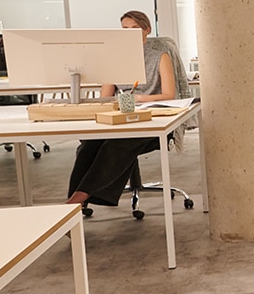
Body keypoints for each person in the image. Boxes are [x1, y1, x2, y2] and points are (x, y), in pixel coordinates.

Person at [65, 10, 192, 208]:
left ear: (146, 30)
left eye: (135, 28)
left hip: (153, 120)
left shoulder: (160, 56)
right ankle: (75, 202)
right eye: (125, 29)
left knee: (117, 144)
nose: (129, 33)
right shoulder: (114, 58)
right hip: (122, 117)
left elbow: (169, 95)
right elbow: (105, 98)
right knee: (88, 145)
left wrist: (140, 98)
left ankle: (76, 200)